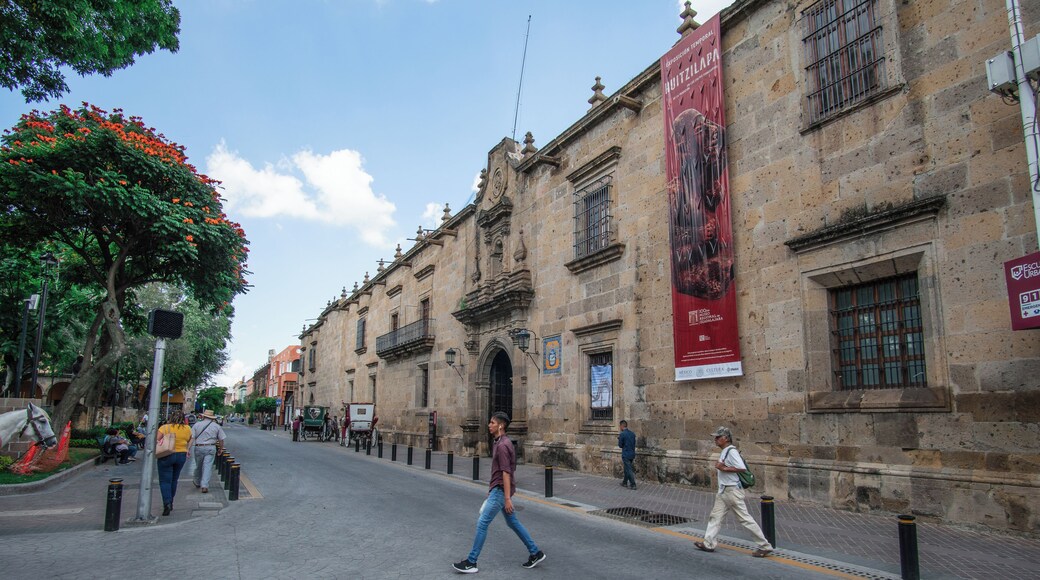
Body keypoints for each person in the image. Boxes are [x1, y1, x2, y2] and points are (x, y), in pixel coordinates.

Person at [452, 412, 545, 574]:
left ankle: (471, 562)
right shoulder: (502, 442)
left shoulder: (502, 446)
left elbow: (506, 472)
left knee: (482, 523)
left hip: (501, 491)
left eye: (492, 422)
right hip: (498, 490)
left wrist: (506, 497)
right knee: (513, 522)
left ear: (500, 426)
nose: (489, 425)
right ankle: (535, 552)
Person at [694, 426, 773, 558]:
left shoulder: (731, 452)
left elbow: (741, 468)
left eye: (718, 437)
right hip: (724, 490)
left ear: (726, 438)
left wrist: (723, 468)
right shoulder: (726, 451)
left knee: (745, 519)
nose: (715, 439)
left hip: (732, 491)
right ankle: (708, 543)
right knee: (715, 516)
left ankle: (765, 546)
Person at [156, 410, 193, 516]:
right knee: (174, 480)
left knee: (164, 481)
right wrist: (187, 448)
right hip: (181, 455)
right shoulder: (187, 428)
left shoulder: (165, 427)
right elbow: (191, 439)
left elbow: (157, 439)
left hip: (167, 454)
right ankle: (171, 501)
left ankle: (166, 503)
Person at [191, 409, 227, 493]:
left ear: (204, 416)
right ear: (212, 417)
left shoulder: (197, 425)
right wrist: (221, 449)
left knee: (198, 465)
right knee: (207, 466)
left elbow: (192, 437)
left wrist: (188, 448)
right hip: (211, 447)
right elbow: (221, 439)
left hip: (199, 447)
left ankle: (197, 481)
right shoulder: (216, 426)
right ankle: (204, 485)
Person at [618, 420, 637, 490]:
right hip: (632, 453)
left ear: (621, 426)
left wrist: (619, 439)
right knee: (627, 468)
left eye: (620, 426)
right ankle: (624, 482)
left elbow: (620, 445)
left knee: (629, 469)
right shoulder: (632, 434)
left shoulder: (622, 434)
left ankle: (633, 484)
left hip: (626, 454)